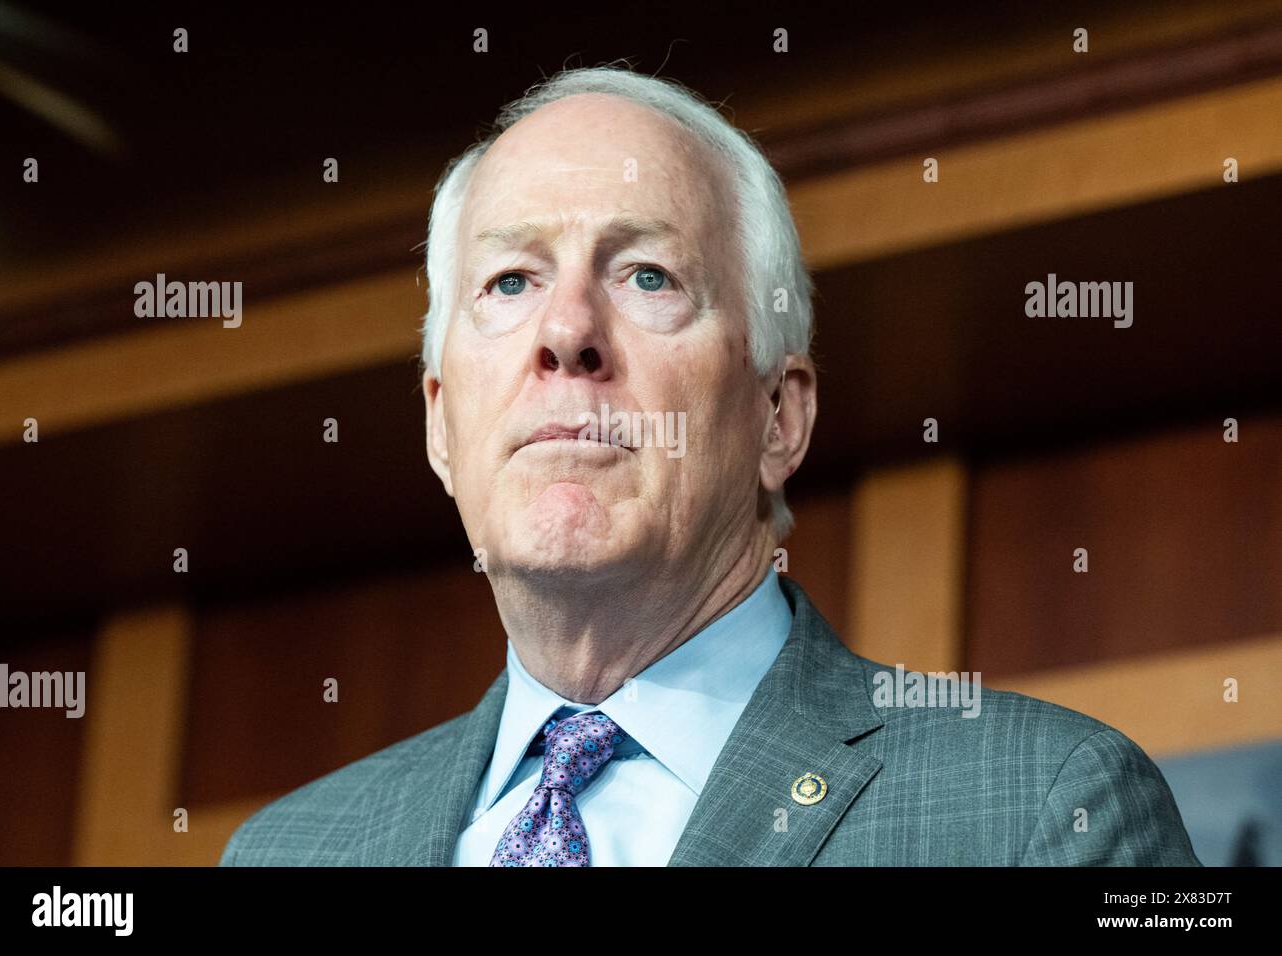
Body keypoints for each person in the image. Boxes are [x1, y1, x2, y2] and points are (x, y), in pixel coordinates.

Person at [220, 65, 1200, 866]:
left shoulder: (1041, 809)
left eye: (647, 274)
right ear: (441, 424)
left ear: (778, 416)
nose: (565, 331)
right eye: (510, 279)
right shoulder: (286, 852)